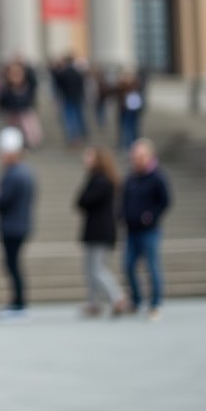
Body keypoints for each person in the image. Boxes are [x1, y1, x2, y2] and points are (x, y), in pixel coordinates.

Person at [123, 138, 172, 321]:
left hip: (149, 230)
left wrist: (150, 215)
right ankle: (136, 300)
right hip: (131, 229)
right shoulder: (131, 177)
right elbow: (125, 199)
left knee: (152, 266)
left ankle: (155, 304)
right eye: (134, 156)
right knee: (128, 265)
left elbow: (166, 201)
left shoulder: (157, 177)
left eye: (140, 156)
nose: (136, 159)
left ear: (149, 156)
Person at [74, 147, 127, 317]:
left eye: (88, 157)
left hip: (100, 231)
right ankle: (94, 303)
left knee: (97, 268)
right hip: (98, 231)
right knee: (91, 268)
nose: (85, 160)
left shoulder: (101, 180)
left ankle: (117, 296)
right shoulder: (101, 179)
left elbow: (83, 201)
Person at [0, 126, 36, 322]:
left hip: (11, 226)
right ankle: (18, 302)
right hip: (21, 224)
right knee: (14, 264)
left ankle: (18, 303)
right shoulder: (26, 172)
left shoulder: (12, 173)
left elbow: (2, 201)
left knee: (12, 264)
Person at [0, 60, 41, 147]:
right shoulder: (7, 88)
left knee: (28, 129)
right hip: (13, 112)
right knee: (14, 130)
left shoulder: (27, 85)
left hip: (25, 111)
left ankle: (29, 142)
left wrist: (23, 66)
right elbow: (2, 101)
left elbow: (33, 82)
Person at [51, 55, 87, 146]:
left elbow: (57, 85)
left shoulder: (63, 73)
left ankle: (73, 137)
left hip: (67, 98)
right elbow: (81, 86)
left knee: (70, 118)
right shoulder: (77, 73)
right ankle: (81, 133)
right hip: (77, 97)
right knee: (78, 116)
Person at [116, 72, 144, 150]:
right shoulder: (121, 86)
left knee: (133, 128)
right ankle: (126, 145)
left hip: (133, 111)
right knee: (125, 128)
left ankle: (134, 145)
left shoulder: (136, 86)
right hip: (124, 111)